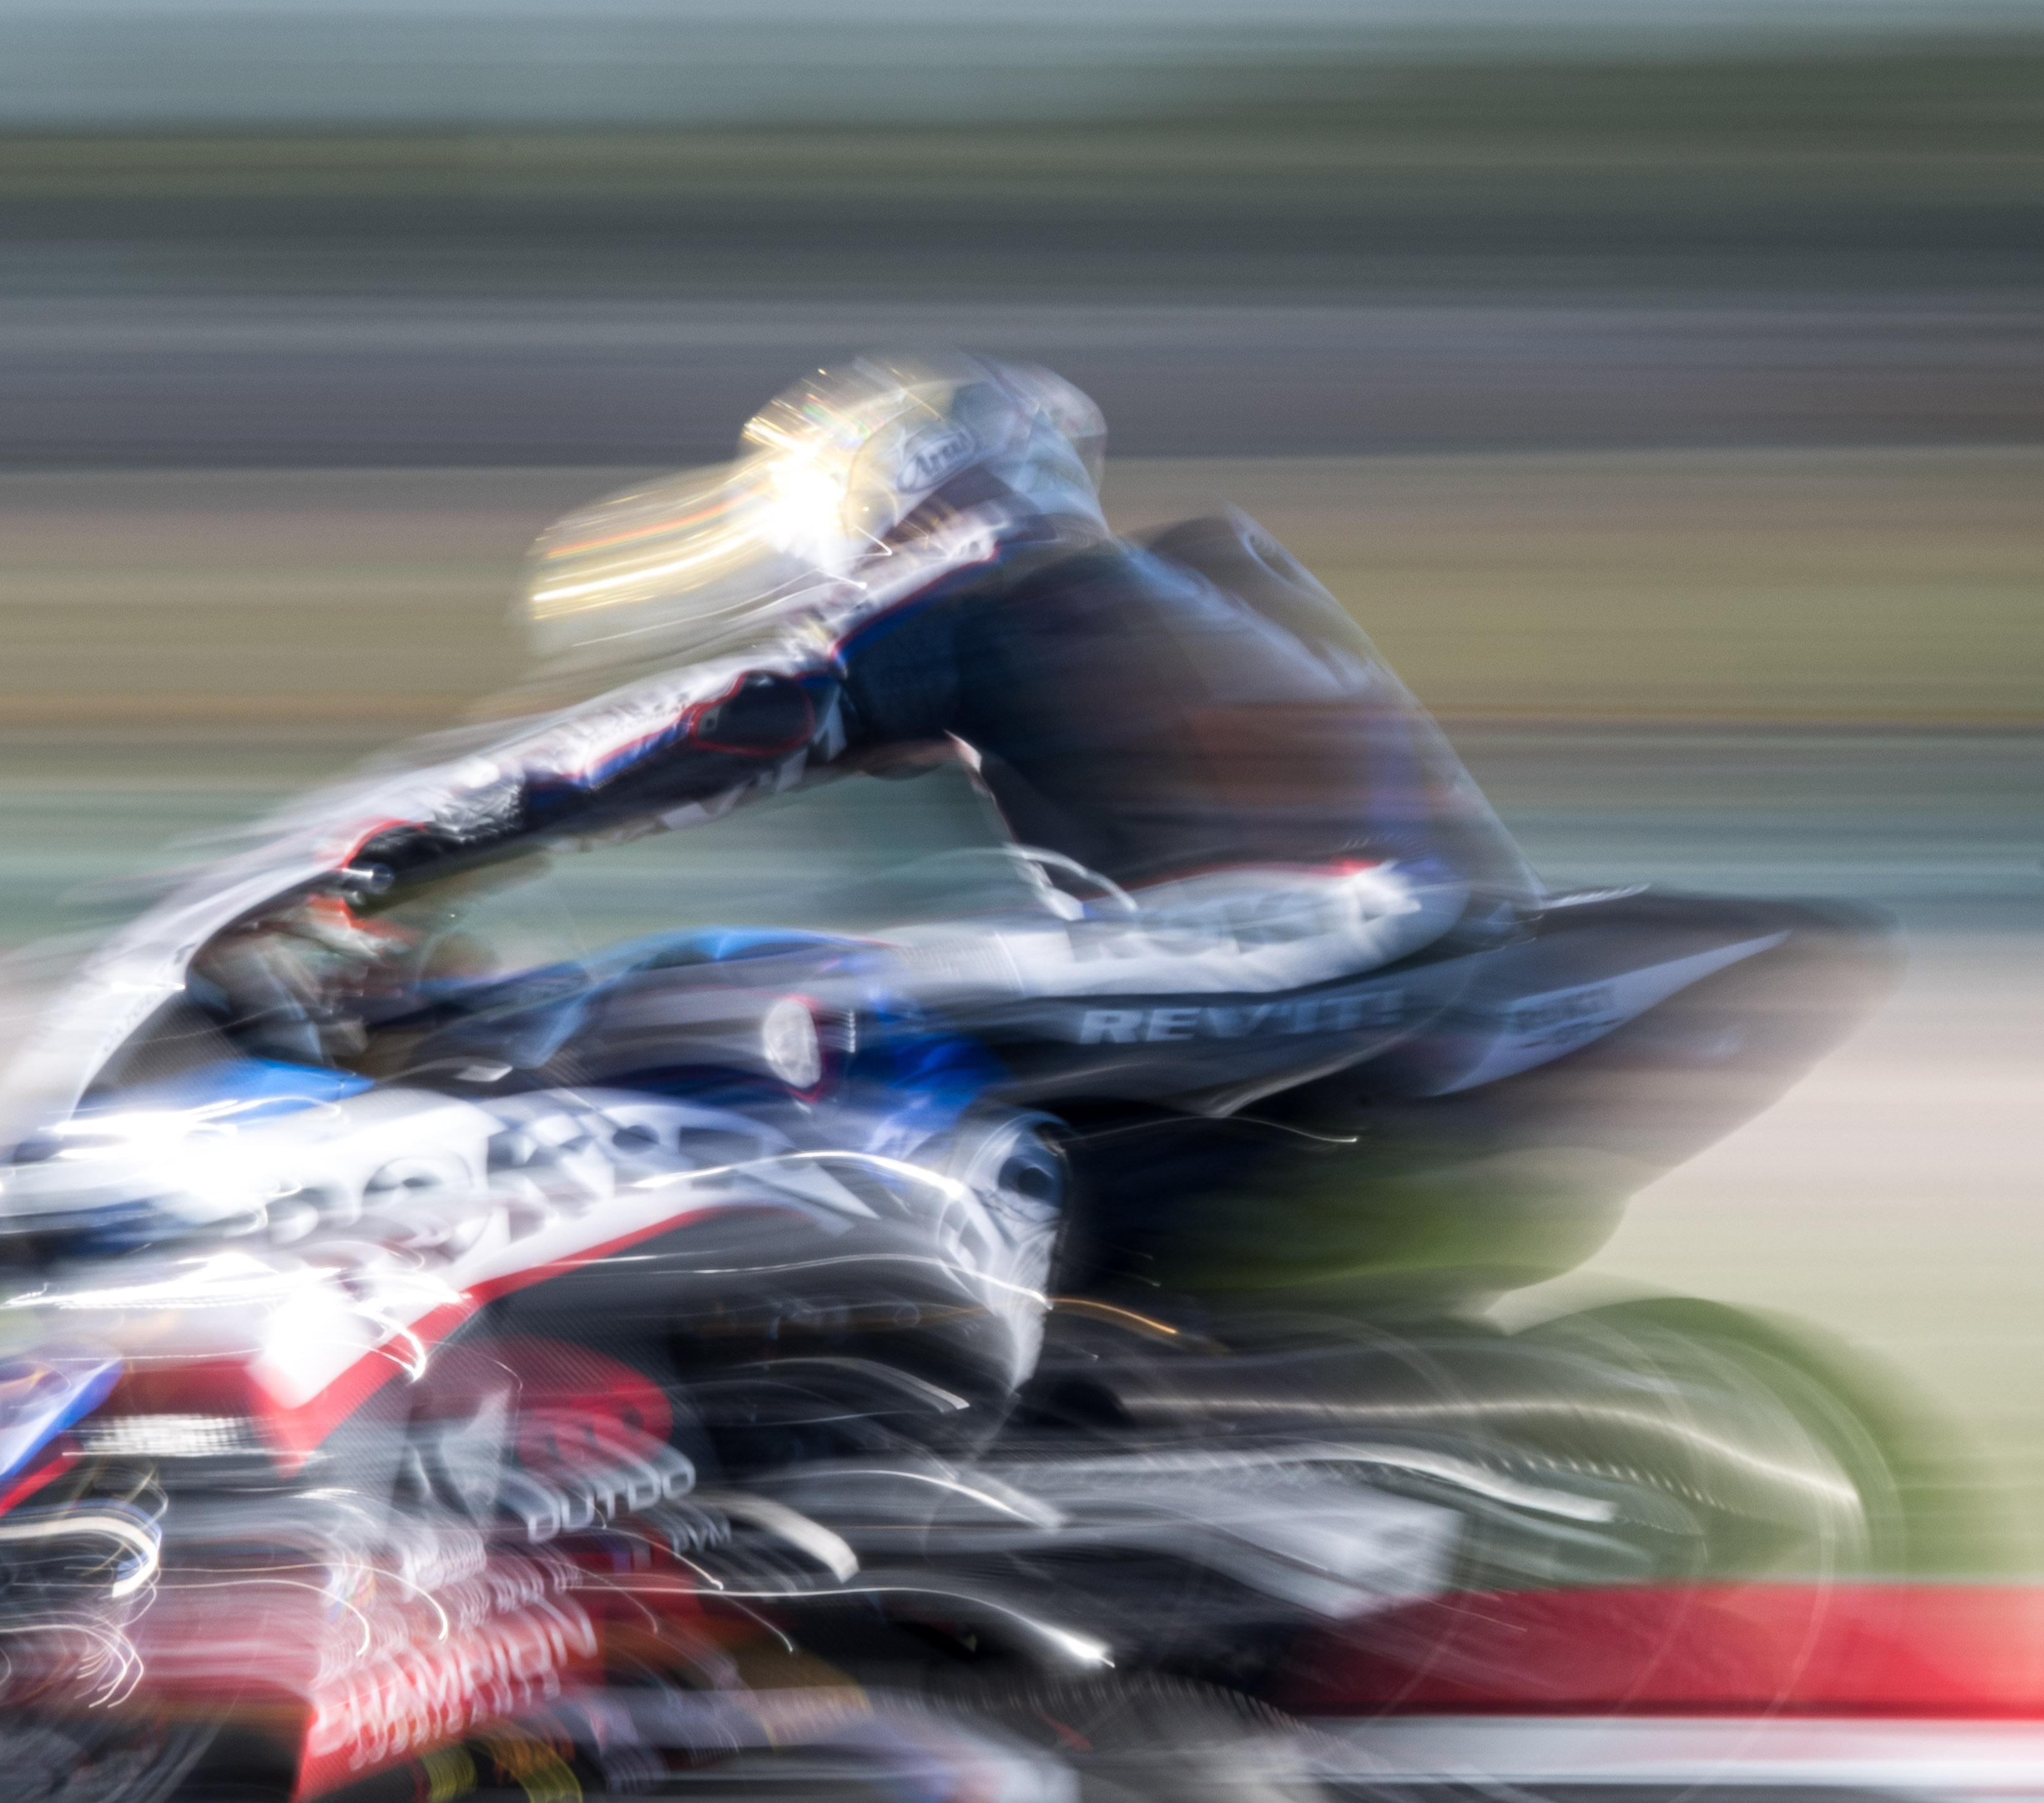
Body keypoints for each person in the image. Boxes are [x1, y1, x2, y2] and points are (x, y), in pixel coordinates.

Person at [210, 354, 1889, 1323]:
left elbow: (706, 735)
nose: (828, 556)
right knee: (894, 1043)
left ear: (903, 491)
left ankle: (900, 1378)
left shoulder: (996, 591)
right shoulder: (1159, 604)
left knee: (804, 1011)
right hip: (1374, 976)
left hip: (1309, 953)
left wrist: (395, 854)